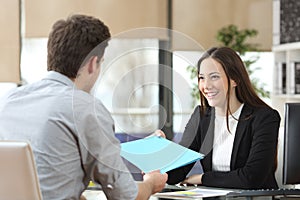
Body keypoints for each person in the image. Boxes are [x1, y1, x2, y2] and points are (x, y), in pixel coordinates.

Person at [0, 14, 167, 200]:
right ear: (93, 63)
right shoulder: (85, 108)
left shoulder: (8, 101)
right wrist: (151, 183)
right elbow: (126, 196)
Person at [166, 47, 280, 189]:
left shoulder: (264, 118)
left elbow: (251, 178)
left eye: (214, 77)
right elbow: (177, 171)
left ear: (235, 80)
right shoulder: (201, 116)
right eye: (202, 78)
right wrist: (155, 160)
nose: (206, 86)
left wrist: (202, 178)